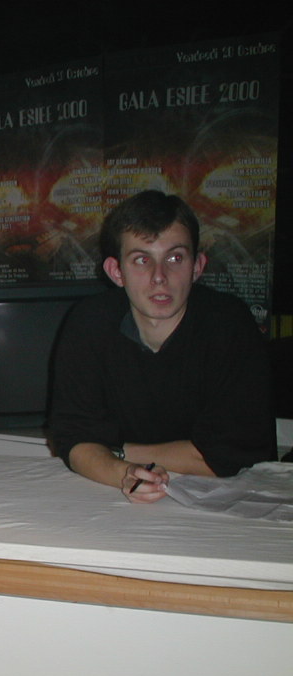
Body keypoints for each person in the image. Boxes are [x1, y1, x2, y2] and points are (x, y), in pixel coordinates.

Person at [50, 190, 275, 503]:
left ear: (197, 266)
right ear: (117, 272)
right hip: (115, 491)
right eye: (142, 260)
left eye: (175, 258)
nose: (159, 277)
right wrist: (125, 473)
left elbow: (231, 456)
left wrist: (114, 452)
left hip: (229, 497)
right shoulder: (88, 323)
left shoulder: (230, 324)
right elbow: (72, 440)